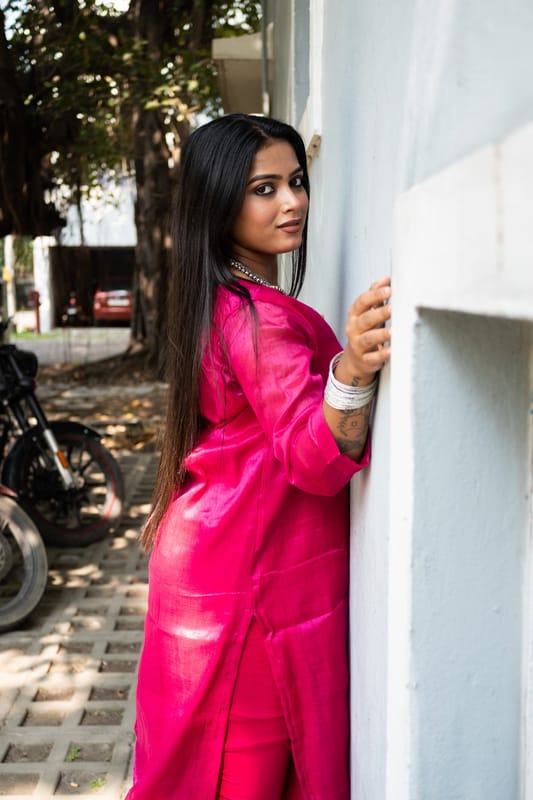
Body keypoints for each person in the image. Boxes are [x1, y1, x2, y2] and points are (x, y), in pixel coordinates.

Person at [125, 113, 392, 800]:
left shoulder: (225, 296)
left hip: (220, 562)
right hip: (245, 591)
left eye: (296, 182)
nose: (292, 201)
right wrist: (353, 369)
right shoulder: (258, 315)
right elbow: (312, 458)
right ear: (219, 203)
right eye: (263, 189)